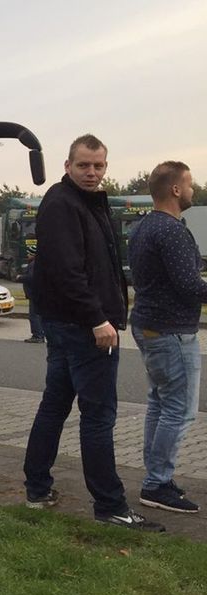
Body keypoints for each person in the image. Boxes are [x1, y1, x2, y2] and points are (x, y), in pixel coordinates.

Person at [22, 134, 164, 532]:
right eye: (84, 165)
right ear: (68, 165)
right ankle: (110, 505)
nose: (92, 172)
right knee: (99, 416)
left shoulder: (84, 203)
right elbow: (68, 272)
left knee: (55, 405)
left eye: (99, 166)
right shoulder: (63, 205)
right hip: (85, 328)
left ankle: (37, 488)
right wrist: (97, 319)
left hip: (72, 325)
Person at [127, 161, 205, 514]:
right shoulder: (172, 230)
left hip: (149, 325)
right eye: (189, 184)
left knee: (160, 403)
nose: (193, 189)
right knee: (179, 409)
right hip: (171, 331)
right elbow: (189, 286)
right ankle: (157, 484)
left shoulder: (143, 227)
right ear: (175, 189)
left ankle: (156, 477)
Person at [20, 255, 45, 343]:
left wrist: (20, 277)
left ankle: (37, 335)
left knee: (34, 316)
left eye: (29, 254)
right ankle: (40, 334)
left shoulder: (33, 265)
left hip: (34, 294)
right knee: (39, 315)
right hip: (39, 293)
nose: (27, 255)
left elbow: (31, 278)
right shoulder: (40, 263)